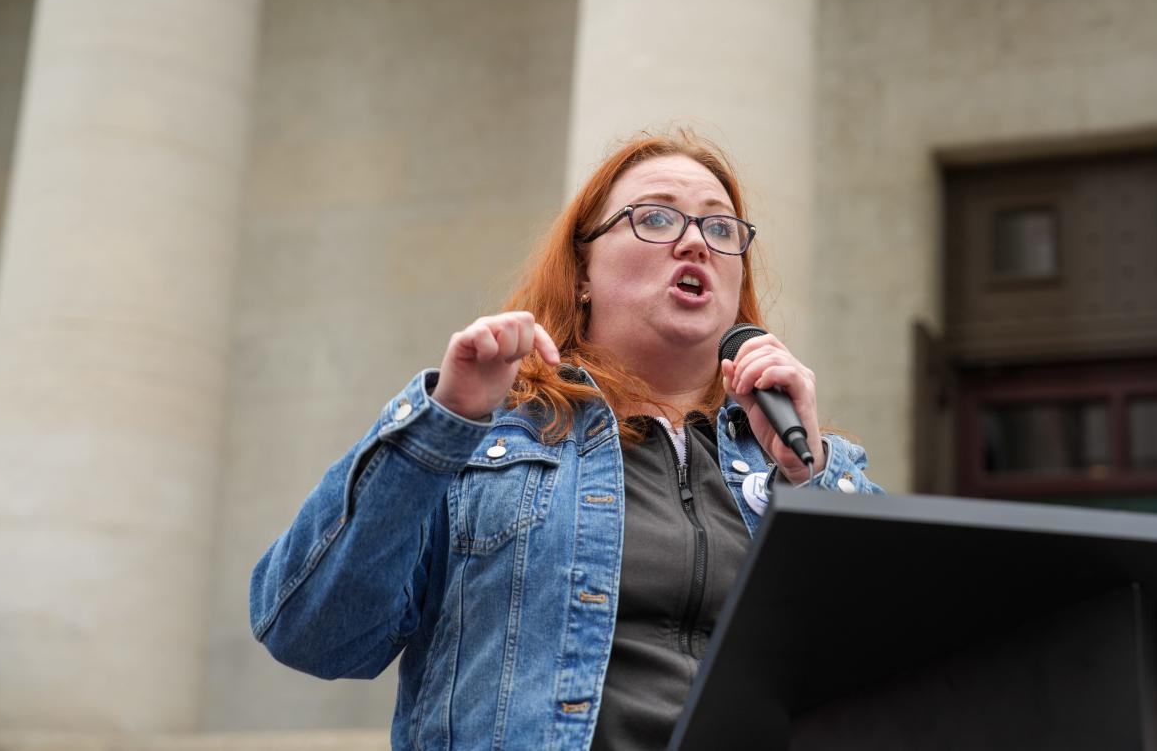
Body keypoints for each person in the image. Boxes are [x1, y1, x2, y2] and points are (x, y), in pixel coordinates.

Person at [250, 129, 883, 750]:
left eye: (720, 228)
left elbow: (894, 670)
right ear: (581, 270)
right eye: (657, 219)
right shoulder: (484, 442)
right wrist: (446, 422)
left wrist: (811, 481)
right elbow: (314, 632)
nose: (695, 242)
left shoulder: (807, 462)